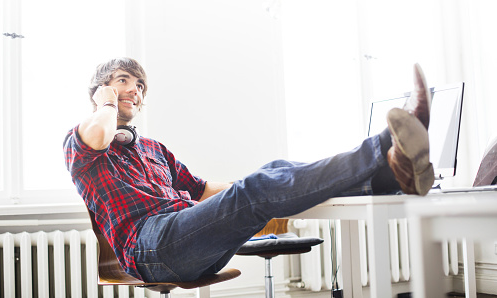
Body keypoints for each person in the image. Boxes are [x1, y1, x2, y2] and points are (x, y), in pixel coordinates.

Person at [63, 57, 434, 283]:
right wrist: (106, 102)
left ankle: (390, 176)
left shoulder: (153, 150)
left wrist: (270, 182)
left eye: (140, 85)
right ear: (100, 92)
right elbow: (99, 134)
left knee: (273, 170)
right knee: (260, 186)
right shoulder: (82, 143)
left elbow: (207, 191)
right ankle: (386, 145)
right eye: (123, 81)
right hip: (149, 248)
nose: (135, 89)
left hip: (186, 234)